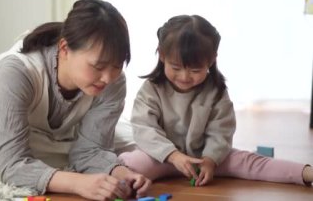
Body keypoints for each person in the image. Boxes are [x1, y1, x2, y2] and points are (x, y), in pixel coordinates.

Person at [0, 0, 151, 200]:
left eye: (116, 66)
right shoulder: (17, 72)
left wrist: (121, 172)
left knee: (131, 136)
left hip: (56, 134)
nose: (107, 77)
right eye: (98, 66)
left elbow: (90, 148)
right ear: (65, 48)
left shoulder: (113, 81)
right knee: (21, 154)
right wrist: (78, 183)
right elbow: (13, 163)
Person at [118, 14, 313, 187]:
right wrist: (174, 156)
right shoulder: (152, 89)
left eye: (195, 70)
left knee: (249, 162)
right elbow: (145, 129)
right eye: (176, 67)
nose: (185, 76)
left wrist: (210, 160)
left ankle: (305, 172)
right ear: (161, 55)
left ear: (211, 60)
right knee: (131, 164)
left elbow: (221, 131)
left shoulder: (216, 91)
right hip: (161, 159)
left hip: (205, 159)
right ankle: (113, 177)